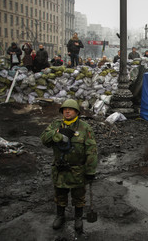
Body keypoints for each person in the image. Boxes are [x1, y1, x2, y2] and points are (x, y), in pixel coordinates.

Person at [40, 99, 98, 233]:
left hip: (77, 170)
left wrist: (90, 170)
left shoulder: (84, 127)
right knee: (60, 194)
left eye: (70, 109)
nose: (67, 111)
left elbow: (92, 150)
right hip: (60, 170)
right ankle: (60, 216)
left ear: (76, 112)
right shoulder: (55, 124)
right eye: (64, 109)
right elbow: (43, 139)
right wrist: (57, 134)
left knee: (79, 196)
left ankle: (78, 218)